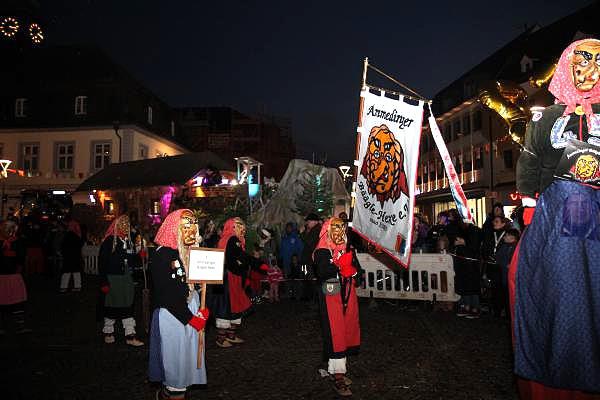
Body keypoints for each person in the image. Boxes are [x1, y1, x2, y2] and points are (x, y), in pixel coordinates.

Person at [512, 38, 600, 398]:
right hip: (559, 208)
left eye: (597, 63)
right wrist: (532, 212)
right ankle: (564, 358)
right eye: (582, 61)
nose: (589, 71)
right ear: (567, 65)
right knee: (563, 289)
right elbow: (529, 163)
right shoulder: (546, 117)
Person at [148, 209, 209, 400]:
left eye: (193, 225)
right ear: (175, 228)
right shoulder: (162, 255)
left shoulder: (187, 252)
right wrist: (191, 318)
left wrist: (200, 301)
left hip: (188, 311)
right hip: (172, 317)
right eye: (186, 226)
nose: (191, 230)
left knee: (187, 362)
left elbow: (190, 284)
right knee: (175, 364)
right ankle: (169, 393)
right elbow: (168, 295)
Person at [314, 217, 360, 397]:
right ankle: (338, 376)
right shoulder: (322, 250)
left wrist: (354, 270)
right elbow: (323, 271)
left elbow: (358, 269)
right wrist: (339, 265)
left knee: (347, 331)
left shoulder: (348, 248)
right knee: (336, 333)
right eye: (336, 229)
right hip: (331, 295)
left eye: (342, 229)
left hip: (348, 295)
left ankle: (337, 371)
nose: (340, 233)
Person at [98, 215, 144, 346]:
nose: (126, 226)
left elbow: (130, 259)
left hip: (126, 279)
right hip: (113, 279)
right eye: (123, 224)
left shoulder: (128, 241)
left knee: (128, 306)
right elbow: (102, 263)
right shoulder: (109, 242)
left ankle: (130, 335)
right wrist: (104, 282)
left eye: (127, 224)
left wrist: (139, 257)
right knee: (111, 306)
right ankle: (108, 332)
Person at [210, 217, 252, 348]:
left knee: (228, 305)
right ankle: (222, 338)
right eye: (239, 226)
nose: (242, 229)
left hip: (223, 276)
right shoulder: (233, 239)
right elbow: (235, 260)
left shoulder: (225, 239)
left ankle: (230, 335)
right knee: (226, 305)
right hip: (230, 278)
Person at [0, 221, 30, 334]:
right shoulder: (6, 243)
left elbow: (21, 258)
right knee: (8, 301)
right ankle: (8, 326)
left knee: (17, 302)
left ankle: (19, 326)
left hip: (12, 275)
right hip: (5, 275)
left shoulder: (18, 242)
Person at [452, 220, 483, 319]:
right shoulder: (460, 229)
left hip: (471, 262)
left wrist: (464, 242)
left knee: (472, 285)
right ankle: (466, 305)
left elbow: (475, 246)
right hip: (461, 262)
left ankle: (475, 307)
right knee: (463, 284)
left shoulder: (475, 230)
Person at [480, 216, 508, 317]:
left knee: (503, 290)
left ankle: (503, 310)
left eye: (496, 221)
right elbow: (485, 249)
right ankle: (496, 310)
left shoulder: (507, 235)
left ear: (503, 224)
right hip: (492, 267)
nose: (494, 223)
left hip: (502, 268)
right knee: (495, 289)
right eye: (494, 221)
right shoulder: (492, 235)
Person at [494, 228, 519, 319]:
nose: (504, 237)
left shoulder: (516, 247)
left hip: (513, 278)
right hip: (505, 276)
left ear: (512, 237)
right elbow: (498, 258)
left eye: (506, 235)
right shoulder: (505, 246)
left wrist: (508, 264)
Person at [59, 220, 84, 293]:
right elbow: (79, 246)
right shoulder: (77, 236)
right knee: (76, 272)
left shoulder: (67, 236)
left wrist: (63, 254)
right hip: (75, 257)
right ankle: (77, 286)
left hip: (68, 257)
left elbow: (63, 247)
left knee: (66, 272)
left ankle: (64, 287)